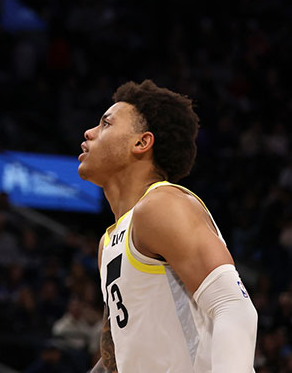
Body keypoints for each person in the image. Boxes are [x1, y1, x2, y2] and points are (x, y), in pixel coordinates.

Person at [78, 80, 257, 372]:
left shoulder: (161, 205)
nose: (89, 132)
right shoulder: (108, 242)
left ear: (141, 143)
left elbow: (233, 307)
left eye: (106, 124)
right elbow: (118, 357)